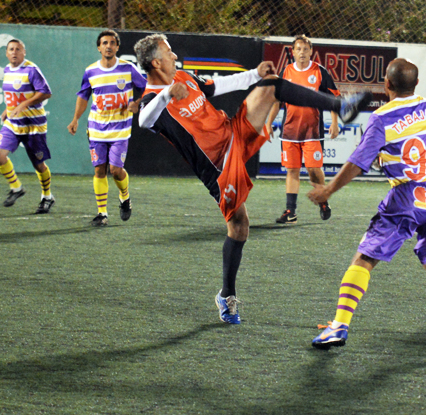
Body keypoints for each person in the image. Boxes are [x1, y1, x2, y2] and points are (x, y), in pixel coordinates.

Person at [133, 33, 370, 325]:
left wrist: (253, 75)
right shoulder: (152, 100)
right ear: (156, 62)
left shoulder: (184, 76)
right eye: (169, 53)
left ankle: (340, 106)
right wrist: (167, 95)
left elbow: (218, 86)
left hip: (233, 132)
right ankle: (227, 294)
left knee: (271, 86)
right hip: (217, 167)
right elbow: (144, 120)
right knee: (240, 227)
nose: (174, 56)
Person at [307, 58, 426, 349]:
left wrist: (328, 191)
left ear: (387, 85)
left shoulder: (382, 118)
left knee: (364, 259)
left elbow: (358, 162)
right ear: (417, 84)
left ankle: (339, 326)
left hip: (407, 197)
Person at [67, 30, 147, 227]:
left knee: (115, 169)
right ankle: (102, 213)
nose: (108, 46)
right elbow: (83, 96)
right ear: (99, 47)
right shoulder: (90, 71)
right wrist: (75, 118)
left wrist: (137, 102)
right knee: (99, 170)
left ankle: (124, 197)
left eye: (112, 43)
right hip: (96, 128)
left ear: (117, 47)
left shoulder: (127, 69)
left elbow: (147, 87)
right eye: (104, 43)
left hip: (120, 128)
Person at [265, 35, 340, 224]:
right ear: (293, 52)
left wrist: (335, 122)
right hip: (290, 130)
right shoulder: (286, 72)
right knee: (292, 170)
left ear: (311, 51)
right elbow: (277, 101)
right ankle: (290, 211)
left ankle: (323, 200)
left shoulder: (319, 72)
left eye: (305, 49)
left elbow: (333, 98)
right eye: (298, 49)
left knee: (314, 169)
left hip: (312, 131)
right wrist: (268, 123)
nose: (302, 53)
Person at [0, 39, 55, 214]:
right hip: (14, 123)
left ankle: (47, 196)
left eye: (18, 49)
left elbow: (46, 92)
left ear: (24, 52)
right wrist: (8, 108)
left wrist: (24, 105)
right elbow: (14, 94)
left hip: (34, 125)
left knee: (39, 165)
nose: (14, 52)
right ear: (6, 53)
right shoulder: (7, 69)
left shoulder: (31, 70)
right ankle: (16, 188)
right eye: (11, 49)